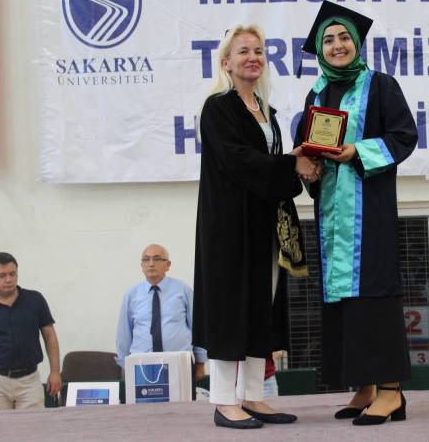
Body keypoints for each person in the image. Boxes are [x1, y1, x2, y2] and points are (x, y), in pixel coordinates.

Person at [295, 1, 419, 426]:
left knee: (375, 296)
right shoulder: (316, 94)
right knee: (344, 301)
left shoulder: (381, 85)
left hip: (370, 212)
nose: (337, 45)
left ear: (357, 43)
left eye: (344, 37)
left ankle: (391, 392)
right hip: (332, 214)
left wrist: (356, 152)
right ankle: (365, 387)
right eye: (328, 39)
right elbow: (308, 148)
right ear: (320, 48)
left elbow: (403, 136)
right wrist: (308, 167)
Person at [193, 25, 320, 429]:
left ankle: (251, 395)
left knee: (259, 307)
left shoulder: (266, 111)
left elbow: (270, 165)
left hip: (264, 225)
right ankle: (223, 401)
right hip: (229, 228)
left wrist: (297, 163)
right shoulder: (218, 107)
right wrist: (291, 164)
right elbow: (238, 161)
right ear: (226, 62)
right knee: (231, 310)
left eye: (259, 51)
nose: (253, 57)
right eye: (243, 51)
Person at [0, 252, 62, 411]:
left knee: (33, 426)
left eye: (12, 274)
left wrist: (55, 372)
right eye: (2, 275)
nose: (9, 279)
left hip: (29, 381)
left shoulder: (35, 300)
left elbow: (50, 337)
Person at [116, 244, 207, 395]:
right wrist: (125, 367)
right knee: (145, 406)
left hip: (179, 363)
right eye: (146, 259)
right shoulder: (131, 295)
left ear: (168, 265)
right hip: (142, 366)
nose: (151, 264)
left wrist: (200, 364)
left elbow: (198, 327)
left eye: (157, 259)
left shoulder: (183, 290)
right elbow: (123, 334)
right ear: (141, 266)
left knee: (182, 406)